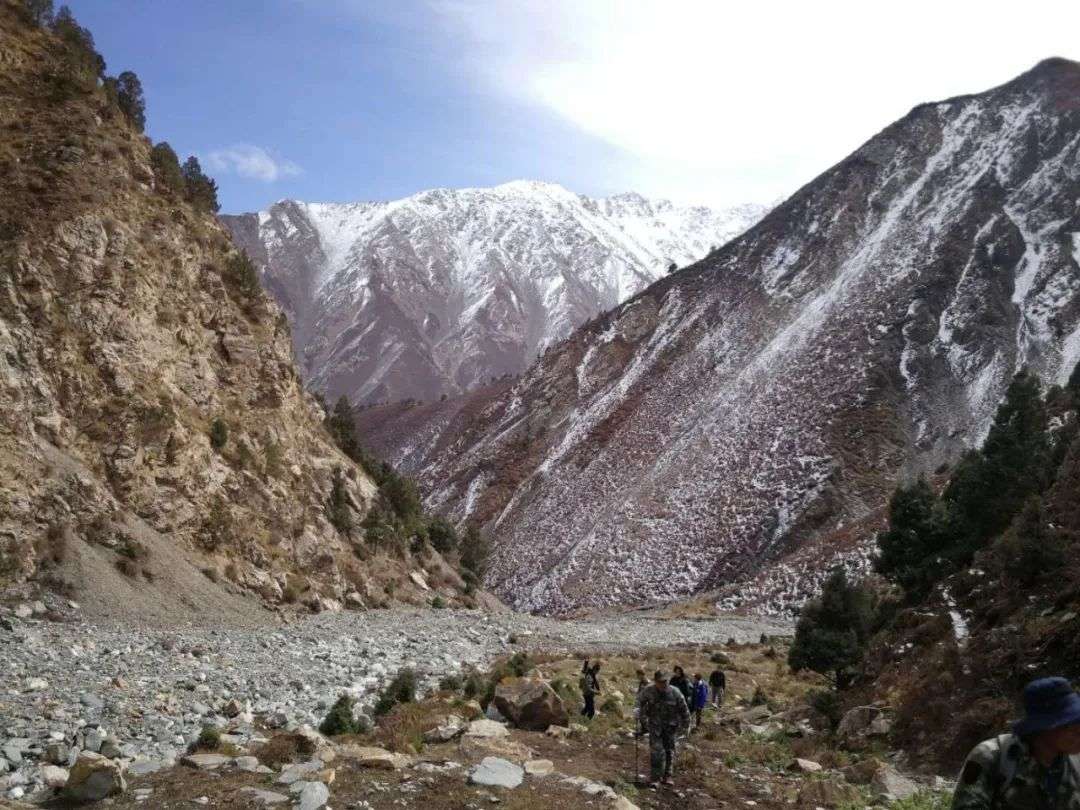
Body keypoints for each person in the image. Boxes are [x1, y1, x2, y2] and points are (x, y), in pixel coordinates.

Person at [952, 676, 1080, 808]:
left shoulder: (1075, 766)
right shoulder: (991, 756)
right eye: (1070, 725)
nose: (1079, 731)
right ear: (1044, 727)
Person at [636, 670, 690, 787]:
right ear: (655, 681)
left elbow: (684, 709)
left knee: (669, 751)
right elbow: (639, 701)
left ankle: (668, 776)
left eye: (665, 681)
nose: (663, 684)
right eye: (660, 682)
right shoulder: (649, 690)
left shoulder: (675, 692)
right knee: (656, 752)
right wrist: (639, 713)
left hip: (671, 727)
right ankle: (655, 778)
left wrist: (686, 726)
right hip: (655, 727)